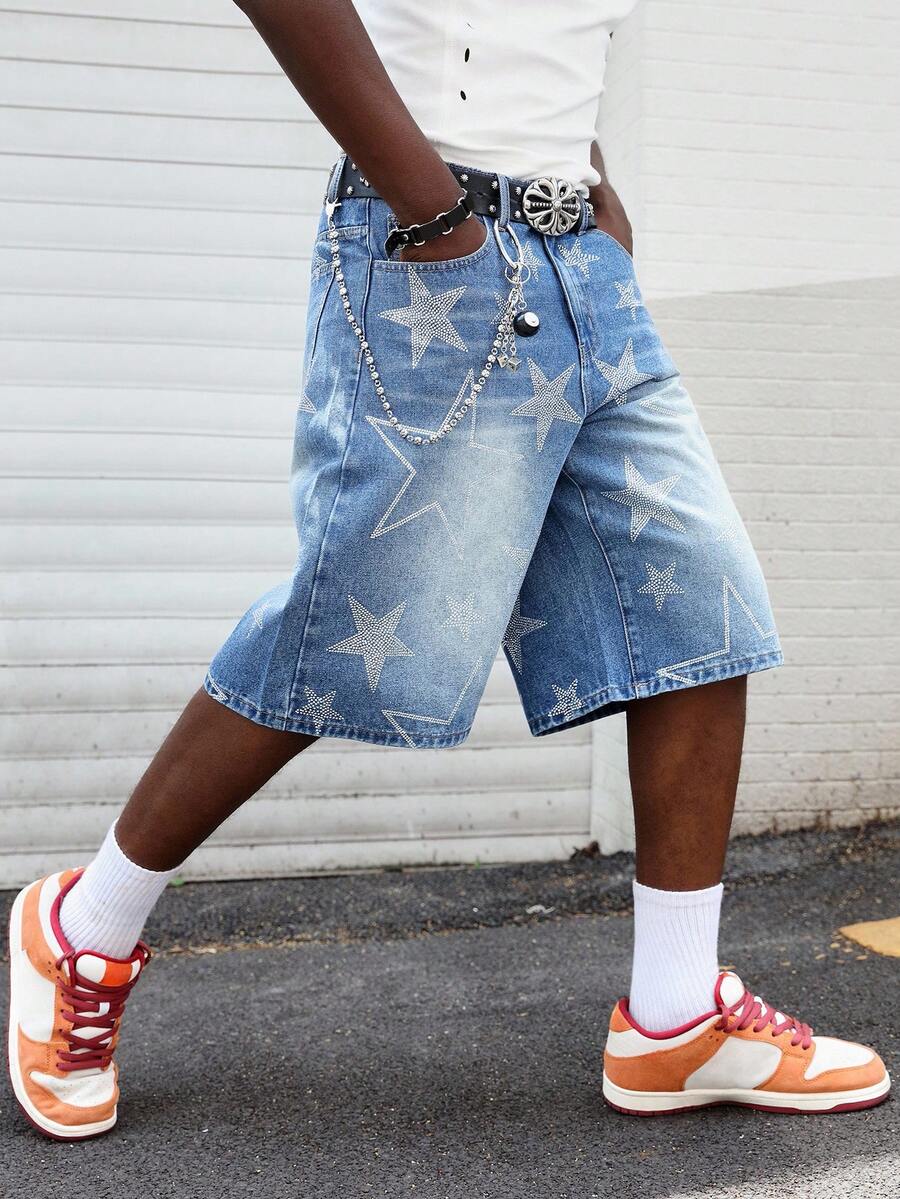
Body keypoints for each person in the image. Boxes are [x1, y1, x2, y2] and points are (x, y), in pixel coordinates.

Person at [7, 0, 889, 1141]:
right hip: (434, 257)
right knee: (361, 623)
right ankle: (83, 926)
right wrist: (436, 212)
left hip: (580, 262)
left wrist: (593, 187)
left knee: (699, 608)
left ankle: (675, 1018)